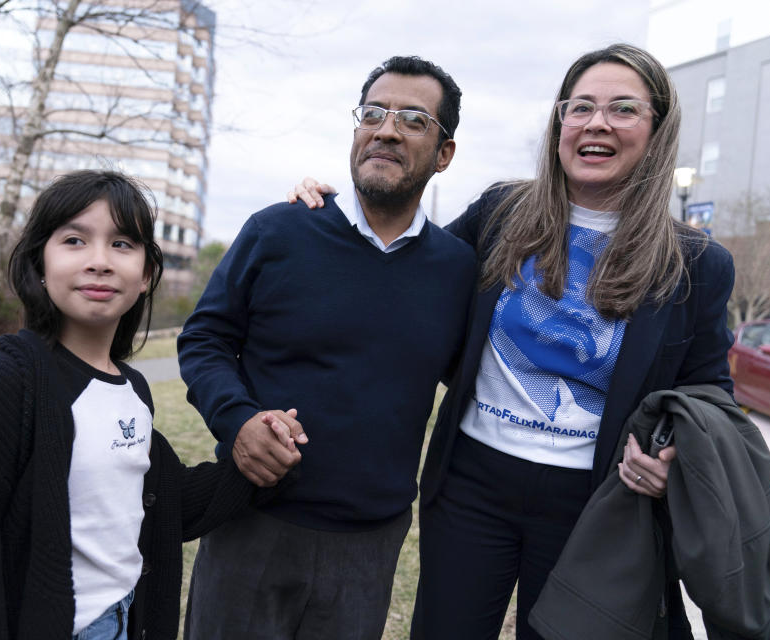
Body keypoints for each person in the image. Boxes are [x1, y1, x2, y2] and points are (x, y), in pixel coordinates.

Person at [289, 43, 735, 639]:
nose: (596, 123)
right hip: (473, 481)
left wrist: (675, 459)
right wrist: (331, 218)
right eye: (580, 108)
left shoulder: (697, 262)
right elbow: (404, 267)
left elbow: (710, 393)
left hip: (596, 500)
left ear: (655, 130)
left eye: (623, 109)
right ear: (559, 125)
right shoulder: (503, 211)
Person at [0, 170, 298, 640]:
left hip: (128, 622)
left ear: (147, 275)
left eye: (122, 244)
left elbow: (162, 503)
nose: (99, 262)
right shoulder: (2, 389)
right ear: (39, 263)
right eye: (74, 240)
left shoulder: (130, 388)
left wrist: (262, 456)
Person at [178, 56, 476, 640]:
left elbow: (474, 376)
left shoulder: (458, 269)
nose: (385, 129)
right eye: (373, 113)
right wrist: (237, 423)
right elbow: (205, 339)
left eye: (413, 119)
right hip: (250, 523)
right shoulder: (277, 231)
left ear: (444, 154)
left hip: (369, 545)